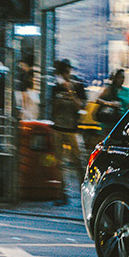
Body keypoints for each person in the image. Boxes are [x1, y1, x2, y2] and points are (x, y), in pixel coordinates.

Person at [51, 59, 85, 203]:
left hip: (72, 129)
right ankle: (63, 193)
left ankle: (84, 192)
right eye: (63, 72)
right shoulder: (56, 87)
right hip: (58, 128)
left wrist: (71, 91)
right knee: (60, 163)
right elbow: (53, 109)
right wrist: (60, 98)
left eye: (67, 71)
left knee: (78, 161)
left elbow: (80, 107)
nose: (66, 75)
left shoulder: (77, 86)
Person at [96, 69, 129, 136]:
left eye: (123, 77)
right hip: (111, 119)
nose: (121, 80)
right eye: (119, 77)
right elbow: (98, 100)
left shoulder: (127, 91)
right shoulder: (110, 89)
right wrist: (111, 103)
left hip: (122, 119)